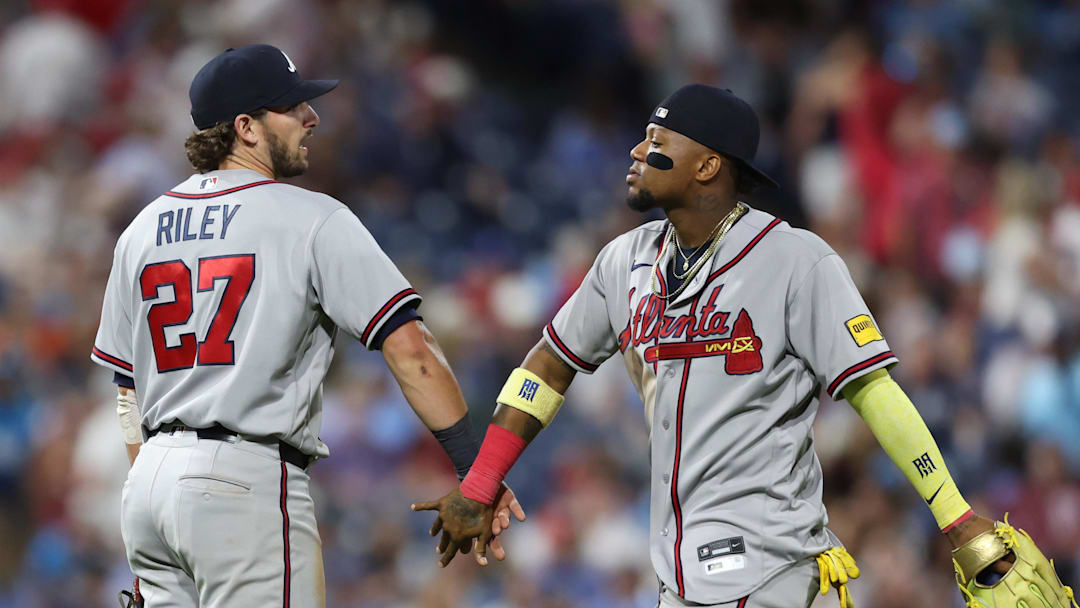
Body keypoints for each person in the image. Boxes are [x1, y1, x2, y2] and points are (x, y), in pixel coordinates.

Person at [412, 85, 1071, 607]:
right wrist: (480, 480)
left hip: (765, 562)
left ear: (707, 165)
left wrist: (954, 516)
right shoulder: (626, 261)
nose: (637, 154)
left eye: (656, 140)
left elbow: (873, 390)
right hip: (677, 567)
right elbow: (548, 365)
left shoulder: (796, 260)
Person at [91, 44, 522, 607]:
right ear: (244, 127)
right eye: (291, 106)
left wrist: (147, 494)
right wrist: (475, 469)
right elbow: (412, 351)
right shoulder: (311, 217)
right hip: (243, 482)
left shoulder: (139, 232)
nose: (311, 117)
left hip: (148, 490)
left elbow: (128, 398)